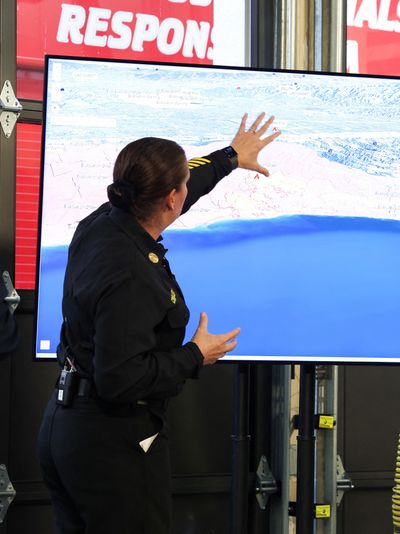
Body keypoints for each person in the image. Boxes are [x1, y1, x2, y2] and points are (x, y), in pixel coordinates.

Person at [37, 112, 281, 534]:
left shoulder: (105, 220)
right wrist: (194, 355)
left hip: (67, 431)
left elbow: (181, 186)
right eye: (182, 185)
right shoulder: (130, 275)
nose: (186, 191)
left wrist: (229, 158)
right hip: (111, 449)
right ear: (170, 198)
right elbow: (119, 378)